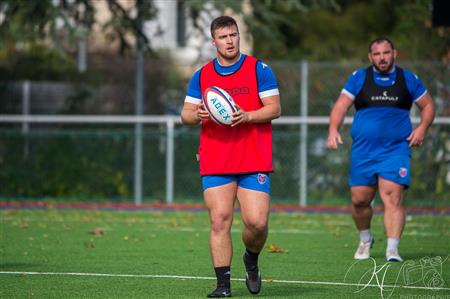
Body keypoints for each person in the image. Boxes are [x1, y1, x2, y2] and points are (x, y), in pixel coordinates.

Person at [181, 16, 281, 297]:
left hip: (253, 157)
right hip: (216, 158)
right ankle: (223, 286)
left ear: (239, 36)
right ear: (214, 42)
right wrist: (197, 114)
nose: (230, 41)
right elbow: (185, 115)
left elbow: (274, 108)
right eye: (223, 37)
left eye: (233, 35)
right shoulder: (202, 75)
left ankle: (251, 258)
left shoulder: (259, 69)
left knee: (257, 223)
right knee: (220, 219)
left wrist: (248, 115)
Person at [327, 37, 435, 262]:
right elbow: (341, 106)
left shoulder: (408, 79)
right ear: (370, 57)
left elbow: (428, 105)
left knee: (393, 197)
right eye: (377, 54)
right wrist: (333, 129)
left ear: (394, 53)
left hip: (395, 151)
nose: (382, 58)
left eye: (386, 53)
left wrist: (422, 128)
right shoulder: (359, 78)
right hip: (363, 152)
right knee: (360, 200)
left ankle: (392, 250)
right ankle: (365, 239)